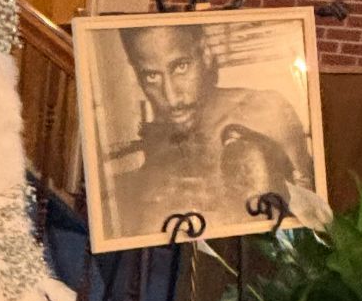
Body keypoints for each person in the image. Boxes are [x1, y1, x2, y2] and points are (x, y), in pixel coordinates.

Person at [106, 22, 315, 239]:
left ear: (205, 54)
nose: (172, 97)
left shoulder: (266, 111)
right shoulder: (154, 149)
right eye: (151, 76)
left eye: (181, 67)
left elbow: (311, 212)